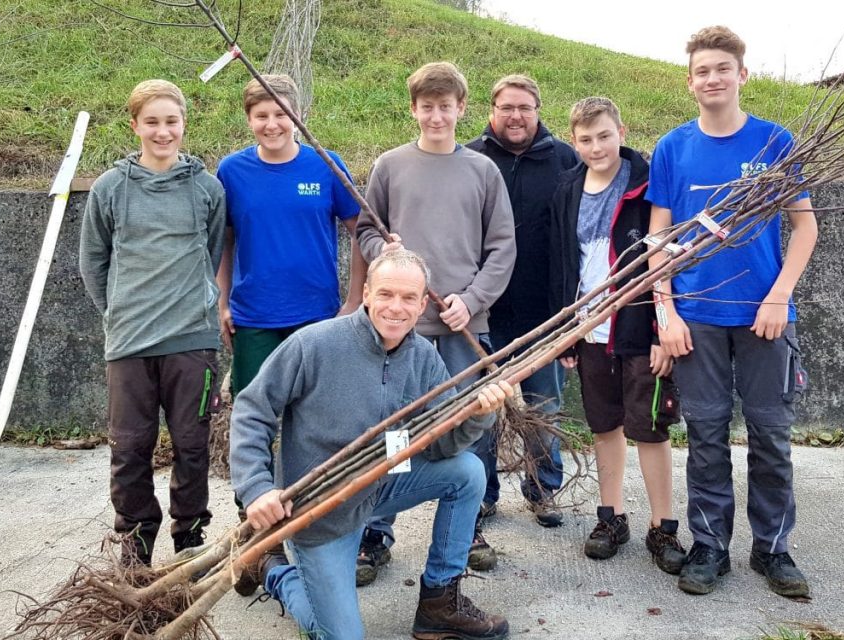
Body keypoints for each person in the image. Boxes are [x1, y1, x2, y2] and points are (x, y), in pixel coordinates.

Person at [230, 249, 513, 640]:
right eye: (386, 294)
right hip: (318, 512)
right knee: (340, 636)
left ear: (422, 304)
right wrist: (257, 489)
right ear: (366, 294)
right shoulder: (315, 344)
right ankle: (274, 571)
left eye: (409, 298)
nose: (396, 308)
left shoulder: (424, 359)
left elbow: (442, 446)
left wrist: (479, 413)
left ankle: (439, 602)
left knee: (467, 472)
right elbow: (252, 410)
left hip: (380, 487)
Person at [646, 26, 818, 597]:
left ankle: (772, 550)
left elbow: (804, 226)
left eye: (723, 68)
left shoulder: (774, 142)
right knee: (706, 432)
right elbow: (658, 241)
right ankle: (710, 547)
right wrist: (666, 314)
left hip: (766, 316)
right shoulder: (673, 148)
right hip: (697, 317)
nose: (712, 78)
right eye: (702, 71)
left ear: (742, 75)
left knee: (771, 433)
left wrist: (779, 296)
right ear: (689, 81)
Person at [354, 61, 516, 582]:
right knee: (393, 427)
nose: (436, 115)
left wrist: (471, 300)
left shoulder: (482, 171)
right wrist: (387, 253)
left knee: (473, 422)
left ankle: (468, 529)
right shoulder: (390, 166)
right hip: (401, 326)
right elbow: (366, 231)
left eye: (446, 106)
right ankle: (376, 529)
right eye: (427, 106)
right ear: (414, 110)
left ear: (461, 109)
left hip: (464, 324)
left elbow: (502, 247)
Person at [78, 79, 226, 565]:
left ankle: (190, 540)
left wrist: (190, 306)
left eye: (171, 122)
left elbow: (210, 252)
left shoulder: (207, 188)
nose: (163, 132)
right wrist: (120, 313)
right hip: (130, 344)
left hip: (192, 340)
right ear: (135, 126)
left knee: (191, 445)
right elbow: (92, 262)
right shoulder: (109, 189)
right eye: (152, 122)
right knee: (130, 449)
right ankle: (135, 543)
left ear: (184, 123)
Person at [549, 97, 687, 573]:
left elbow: (663, 262)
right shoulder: (567, 188)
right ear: (574, 142)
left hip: (637, 330)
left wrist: (660, 329)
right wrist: (568, 331)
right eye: (585, 139)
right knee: (603, 425)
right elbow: (564, 264)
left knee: (648, 428)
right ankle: (611, 517)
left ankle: (663, 526)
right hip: (589, 330)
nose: (596, 147)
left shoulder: (648, 184)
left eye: (604, 136)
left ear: (621, 132)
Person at [465, 74, 581, 529]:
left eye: (525, 108)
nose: (516, 116)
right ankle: (483, 494)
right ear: (491, 110)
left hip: (545, 311)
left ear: (537, 110)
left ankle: (543, 489)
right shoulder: (472, 158)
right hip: (483, 310)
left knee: (542, 407)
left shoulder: (565, 159)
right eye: (507, 107)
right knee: (483, 409)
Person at [216, 74, 366, 398]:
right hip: (253, 316)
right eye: (261, 116)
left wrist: (355, 299)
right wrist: (222, 301)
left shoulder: (326, 165)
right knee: (253, 411)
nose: (272, 124)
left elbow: (361, 231)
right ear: (248, 119)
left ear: (297, 116)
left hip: (317, 315)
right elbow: (223, 241)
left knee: (317, 412)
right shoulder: (231, 171)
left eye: (281, 114)